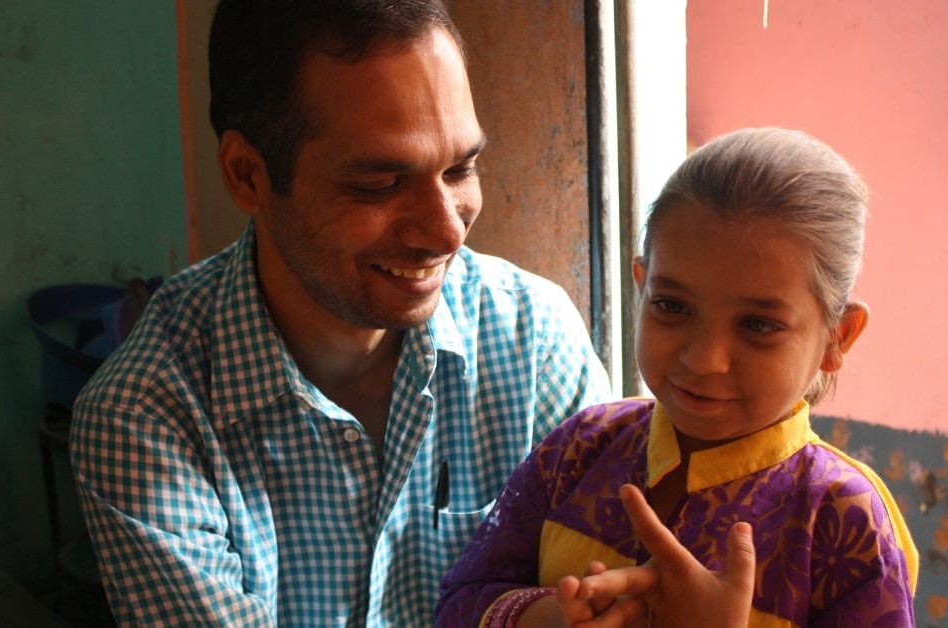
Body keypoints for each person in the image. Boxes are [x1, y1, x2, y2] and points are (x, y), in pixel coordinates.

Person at [68, 1, 617, 625]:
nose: (446, 233)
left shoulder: (532, 339)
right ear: (247, 174)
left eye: (461, 168)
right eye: (379, 185)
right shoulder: (146, 418)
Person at [436, 127, 920, 627]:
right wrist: (549, 617)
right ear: (641, 288)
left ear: (837, 338)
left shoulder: (844, 522)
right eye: (672, 306)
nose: (704, 359)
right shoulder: (580, 448)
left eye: (758, 325)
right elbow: (460, 602)